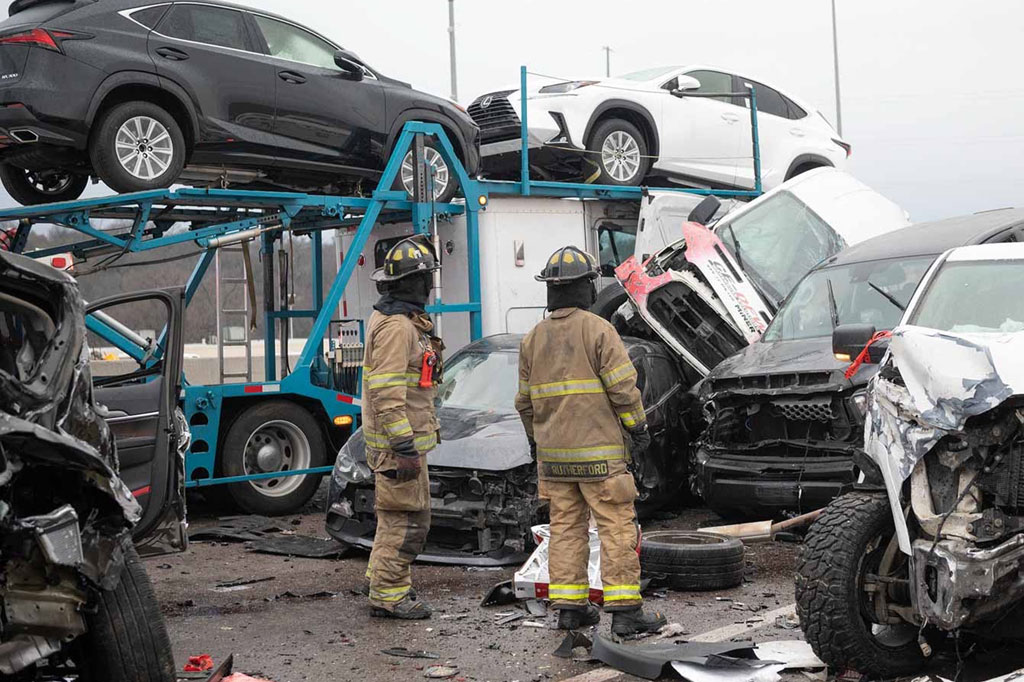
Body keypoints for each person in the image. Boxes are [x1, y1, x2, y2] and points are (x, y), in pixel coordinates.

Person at [514, 245, 667, 636]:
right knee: (616, 527)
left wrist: (536, 443)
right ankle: (626, 612)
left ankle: (570, 609)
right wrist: (638, 429)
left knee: (565, 528)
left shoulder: (533, 339)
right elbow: (623, 390)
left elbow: (524, 402)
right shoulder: (600, 330)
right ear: (587, 287)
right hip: (600, 459)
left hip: (555, 462)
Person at [362, 234, 443, 620]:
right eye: (425, 278)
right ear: (415, 282)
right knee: (406, 523)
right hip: (398, 448)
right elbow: (387, 392)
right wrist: (405, 447)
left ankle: (384, 584)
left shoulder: (399, 321)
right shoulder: (397, 328)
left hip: (399, 444)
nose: (429, 286)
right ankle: (390, 595)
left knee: (400, 519)